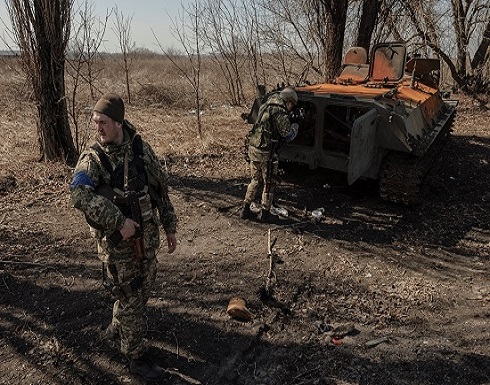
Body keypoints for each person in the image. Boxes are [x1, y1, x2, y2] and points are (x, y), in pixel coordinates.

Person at [70, 93, 177, 381]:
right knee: (131, 298)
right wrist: (119, 222)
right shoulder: (93, 157)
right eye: (95, 122)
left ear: (119, 123)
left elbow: (160, 189)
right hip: (117, 248)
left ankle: (117, 329)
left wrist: (170, 225)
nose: (98, 128)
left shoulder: (140, 150)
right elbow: (78, 195)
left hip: (147, 242)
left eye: (103, 122)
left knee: (140, 295)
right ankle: (136, 356)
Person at [241, 87, 299, 222]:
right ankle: (265, 213)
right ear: (288, 101)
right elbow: (287, 135)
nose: (291, 108)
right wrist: (296, 126)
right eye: (292, 105)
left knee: (255, 180)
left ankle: (245, 209)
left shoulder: (266, 104)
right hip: (266, 153)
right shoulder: (280, 111)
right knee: (269, 183)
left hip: (253, 148)